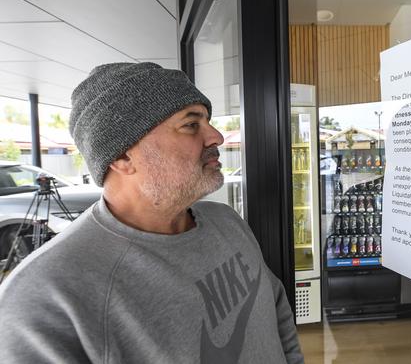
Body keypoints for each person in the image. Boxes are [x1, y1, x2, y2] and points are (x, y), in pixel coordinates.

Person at [0, 62, 304, 364]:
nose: (216, 137)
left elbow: (275, 308)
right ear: (122, 156)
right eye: (191, 124)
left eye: (208, 121)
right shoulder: (45, 295)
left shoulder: (226, 222)